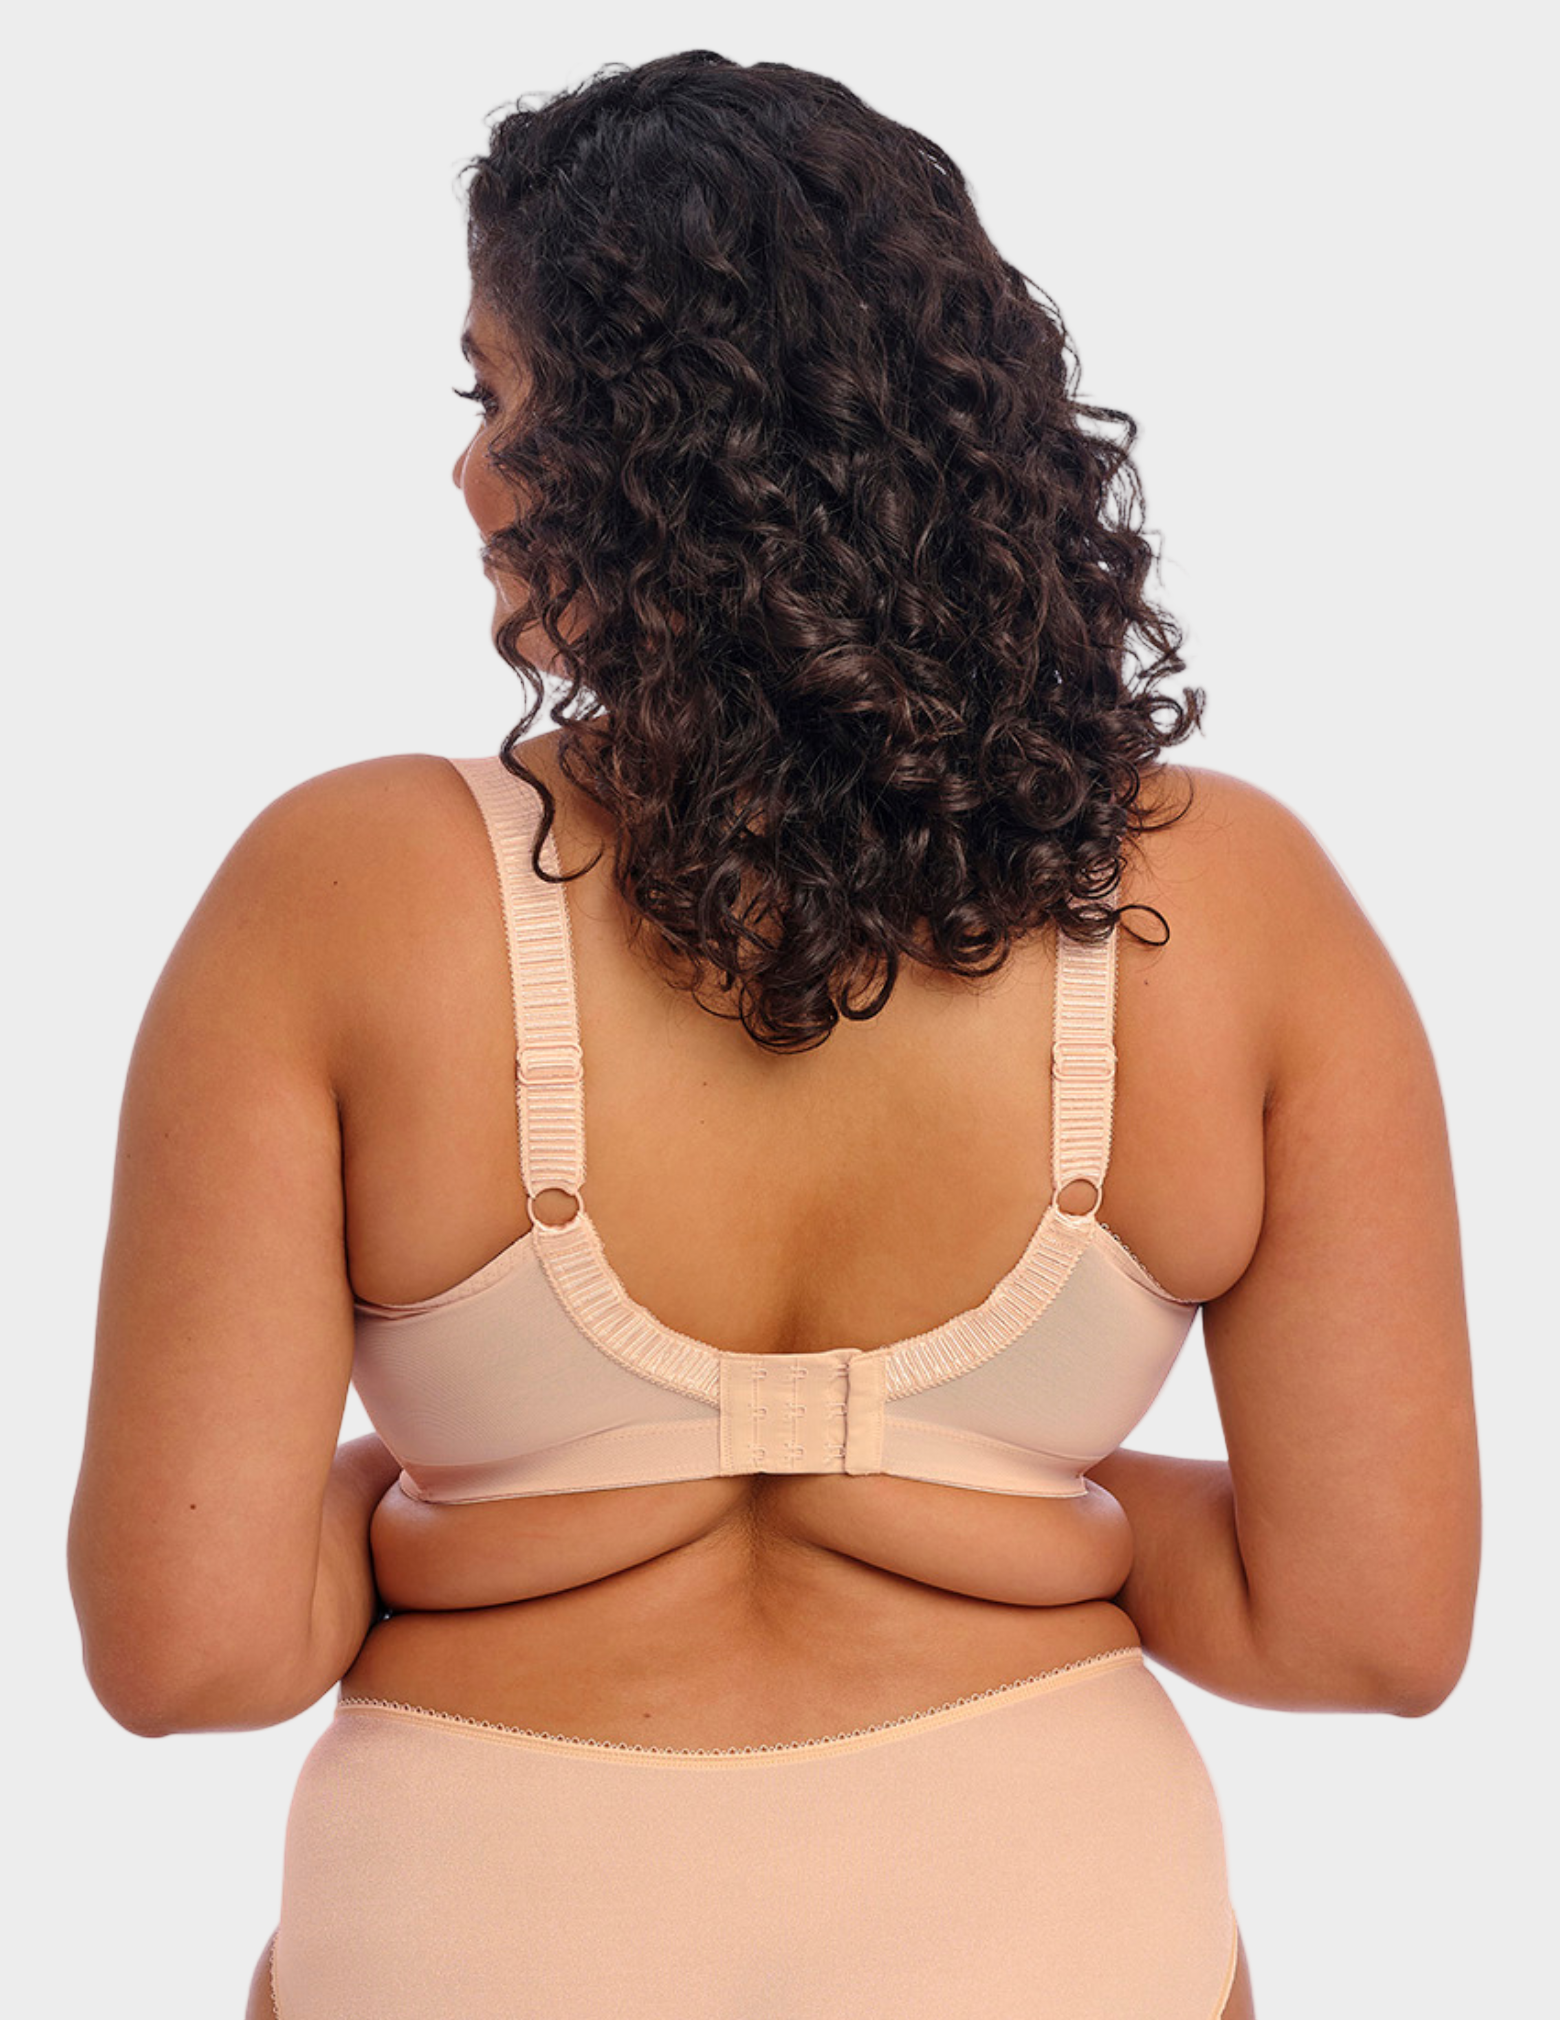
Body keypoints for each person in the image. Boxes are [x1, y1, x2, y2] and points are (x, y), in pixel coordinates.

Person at [66, 50, 1480, 2020]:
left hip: (480, 1931)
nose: (468, 476)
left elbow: (191, 1650)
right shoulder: (1232, 906)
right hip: (1055, 1930)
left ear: (661, 441)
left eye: (498, 400)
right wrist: (1014, 1513)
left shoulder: (344, 891)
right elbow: (1366, 1629)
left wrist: (467, 1502)